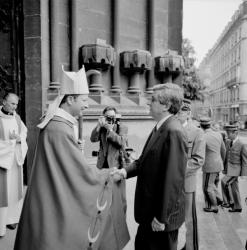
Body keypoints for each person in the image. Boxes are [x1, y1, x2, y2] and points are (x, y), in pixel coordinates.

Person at [14, 67, 129, 250]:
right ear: (70, 99)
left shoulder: (59, 123)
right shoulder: (60, 128)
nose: (87, 105)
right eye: (83, 100)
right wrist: (107, 175)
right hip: (51, 198)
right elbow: (78, 173)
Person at [112, 83, 188, 250]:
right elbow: (143, 161)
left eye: (153, 100)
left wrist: (161, 217)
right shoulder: (160, 127)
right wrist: (123, 172)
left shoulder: (173, 131)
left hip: (159, 219)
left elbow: (173, 180)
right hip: (149, 214)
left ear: (166, 106)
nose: (148, 103)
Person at [177, 99, 205, 250]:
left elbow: (199, 159)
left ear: (188, 113)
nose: (177, 114)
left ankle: (190, 246)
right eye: (176, 111)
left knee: (189, 218)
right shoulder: (171, 129)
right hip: (171, 182)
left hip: (187, 182)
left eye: (181, 111)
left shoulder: (197, 131)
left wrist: (178, 170)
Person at [0, 92, 28, 237]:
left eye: (16, 104)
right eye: (12, 103)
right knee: (2, 194)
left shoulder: (17, 118)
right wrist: (10, 143)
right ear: (4, 101)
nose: (14, 107)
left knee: (13, 192)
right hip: (2, 162)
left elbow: (24, 132)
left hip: (15, 162)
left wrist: (19, 139)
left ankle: (11, 219)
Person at [91, 106, 128, 212]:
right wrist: (98, 126)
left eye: (112, 117)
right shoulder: (102, 128)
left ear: (116, 117)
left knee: (118, 197)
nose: (110, 119)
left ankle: (119, 221)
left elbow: (121, 142)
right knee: (102, 195)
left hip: (116, 166)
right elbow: (93, 139)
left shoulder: (122, 127)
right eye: (108, 117)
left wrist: (110, 130)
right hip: (103, 165)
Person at [200, 117, 226, 213]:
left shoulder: (203, 136)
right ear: (210, 125)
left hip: (209, 166)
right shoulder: (218, 134)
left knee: (207, 187)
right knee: (212, 184)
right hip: (218, 164)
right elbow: (223, 150)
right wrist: (222, 161)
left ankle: (214, 206)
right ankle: (220, 200)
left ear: (201, 126)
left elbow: (200, 152)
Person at [221, 124, 247, 212]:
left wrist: (243, 173)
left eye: (229, 133)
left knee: (224, 182)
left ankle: (228, 202)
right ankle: (238, 206)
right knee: (234, 188)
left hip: (236, 170)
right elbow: (226, 156)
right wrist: (224, 169)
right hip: (229, 169)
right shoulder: (228, 142)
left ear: (235, 133)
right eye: (227, 133)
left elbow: (244, 160)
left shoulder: (242, 144)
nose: (227, 135)